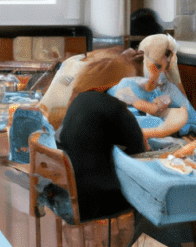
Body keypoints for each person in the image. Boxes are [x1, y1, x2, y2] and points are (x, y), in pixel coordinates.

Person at [57, 54, 146, 222]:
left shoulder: (79, 100)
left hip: (70, 195)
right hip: (97, 203)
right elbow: (140, 156)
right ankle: (136, 238)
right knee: (148, 194)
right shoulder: (116, 108)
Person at [109, 33, 196, 139]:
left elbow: (183, 106)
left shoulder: (161, 81)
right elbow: (152, 110)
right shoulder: (127, 84)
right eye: (158, 66)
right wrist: (160, 111)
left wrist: (165, 104)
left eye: (166, 67)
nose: (162, 73)